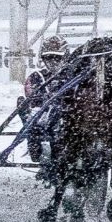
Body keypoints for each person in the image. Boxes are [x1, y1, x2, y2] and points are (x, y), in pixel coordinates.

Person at [21, 36, 69, 166]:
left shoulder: (71, 76)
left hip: (66, 116)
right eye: (49, 58)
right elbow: (31, 95)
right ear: (43, 58)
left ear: (65, 58)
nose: (53, 61)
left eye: (57, 58)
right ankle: (36, 143)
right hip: (41, 115)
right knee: (28, 111)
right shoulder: (37, 76)